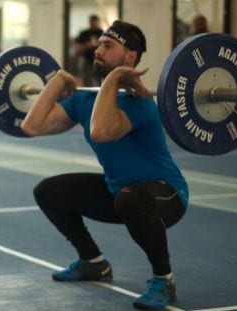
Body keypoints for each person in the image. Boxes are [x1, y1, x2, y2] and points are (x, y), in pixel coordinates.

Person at [21, 20, 189, 310]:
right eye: (99, 43)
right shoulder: (85, 100)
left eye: (108, 46)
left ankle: (165, 280)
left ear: (130, 57)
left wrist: (114, 80)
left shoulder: (138, 103)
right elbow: (32, 126)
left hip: (165, 196)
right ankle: (93, 262)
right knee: (48, 191)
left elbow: (102, 131)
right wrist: (58, 80)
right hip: (119, 192)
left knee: (131, 198)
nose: (98, 50)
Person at [74, 15, 104, 86]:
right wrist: (87, 46)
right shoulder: (84, 34)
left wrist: (98, 46)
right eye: (92, 23)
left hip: (100, 61)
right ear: (89, 22)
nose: (94, 24)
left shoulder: (102, 33)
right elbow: (77, 48)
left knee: (101, 82)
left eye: (95, 23)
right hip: (87, 61)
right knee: (87, 82)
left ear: (98, 22)